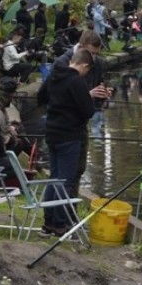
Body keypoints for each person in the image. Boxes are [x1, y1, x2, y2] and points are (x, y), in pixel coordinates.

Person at [36, 48, 96, 236]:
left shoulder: (54, 75)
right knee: (65, 181)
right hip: (69, 136)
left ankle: (49, 222)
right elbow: (88, 111)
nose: (86, 74)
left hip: (52, 133)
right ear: (84, 65)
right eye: (87, 71)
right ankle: (61, 224)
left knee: (54, 178)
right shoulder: (76, 81)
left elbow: (41, 97)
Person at [52, 30, 111, 199]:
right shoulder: (62, 63)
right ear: (81, 46)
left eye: (96, 54)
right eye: (91, 53)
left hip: (82, 123)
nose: (93, 58)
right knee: (64, 172)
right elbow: (57, 97)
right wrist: (88, 94)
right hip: (63, 125)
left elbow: (97, 88)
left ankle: (70, 209)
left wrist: (104, 94)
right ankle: (60, 214)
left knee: (79, 168)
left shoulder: (97, 63)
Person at [0, 77, 31, 156]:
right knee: (19, 143)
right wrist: (11, 134)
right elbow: (2, 138)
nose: (13, 98)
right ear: (8, 95)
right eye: (13, 94)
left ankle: (33, 155)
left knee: (18, 129)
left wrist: (10, 127)